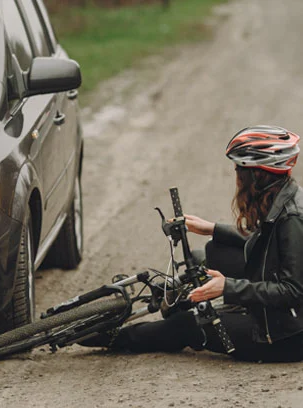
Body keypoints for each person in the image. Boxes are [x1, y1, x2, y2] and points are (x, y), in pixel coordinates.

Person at [81, 125, 303, 362]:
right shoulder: (282, 198)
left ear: (258, 174)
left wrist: (228, 287)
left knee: (185, 324)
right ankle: (199, 302)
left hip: (282, 336)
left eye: (240, 169)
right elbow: (263, 244)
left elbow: (294, 291)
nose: (237, 176)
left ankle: (105, 337)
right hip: (278, 314)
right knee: (212, 253)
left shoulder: (292, 219)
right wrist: (212, 228)